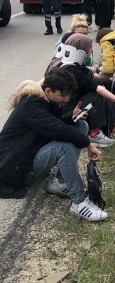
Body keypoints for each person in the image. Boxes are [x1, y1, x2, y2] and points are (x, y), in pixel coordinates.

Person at [0, 69, 107, 221]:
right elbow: (56, 128)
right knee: (64, 147)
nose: (66, 99)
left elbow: (51, 126)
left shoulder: (46, 100)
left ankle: (59, 182)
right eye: (63, 95)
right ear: (48, 90)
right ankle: (79, 202)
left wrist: (71, 117)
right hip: (14, 169)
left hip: (27, 157)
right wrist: (88, 144)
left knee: (81, 126)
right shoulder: (31, 104)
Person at [47, 33, 115, 147]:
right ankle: (95, 134)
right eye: (89, 48)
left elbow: (91, 75)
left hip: (76, 105)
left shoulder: (74, 66)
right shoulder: (71, 70)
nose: (91, 51)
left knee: (102, 94)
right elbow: (95, 87)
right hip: (71, 111)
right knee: (97, 96)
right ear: (81, 51)